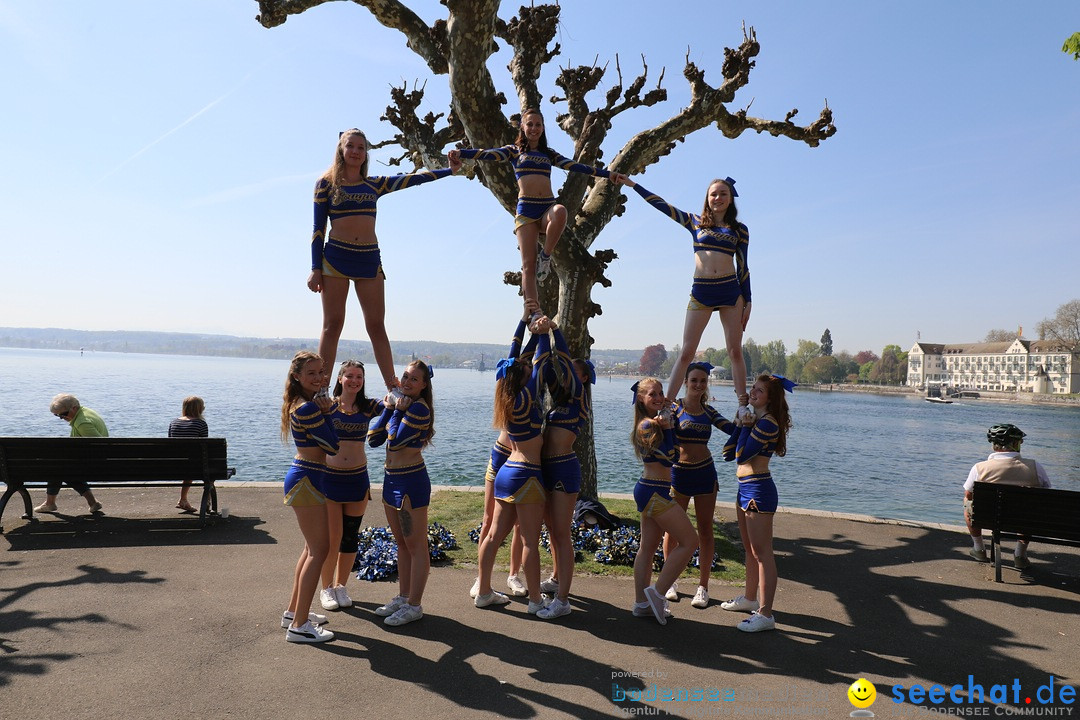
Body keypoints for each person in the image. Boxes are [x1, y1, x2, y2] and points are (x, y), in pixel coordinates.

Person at [309, 129, 462, 394]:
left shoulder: (374, 184)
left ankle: (393, 387)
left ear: (366, 152)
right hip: (335, 259)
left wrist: (449, 170)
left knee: (377, 326)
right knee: (332, 324)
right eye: (351, 146)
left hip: (368, 260)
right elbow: (317, 229)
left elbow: (413, 179)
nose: (356, 151)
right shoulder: (326, 184)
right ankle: (321, 387)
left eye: (361, 147)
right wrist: (314, 269)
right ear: (341, 150)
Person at [448, 109, 622, 310]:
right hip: (526, 211)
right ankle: (533, 311)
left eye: (538, 125)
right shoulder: (514, 151)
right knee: (528, 267)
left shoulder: (549, 154)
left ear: (542, 128)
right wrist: (461, 153)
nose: (534, 128)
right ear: (523, 126)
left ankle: (546, 257)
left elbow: (575, 166)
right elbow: (487, 154)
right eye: (529, 124)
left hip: (547, 207)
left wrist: (607, 174)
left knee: (561, 212)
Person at [617, 176, 752, 419]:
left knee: (735, 351)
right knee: (687, 351)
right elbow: (662, 205)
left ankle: (742, 407)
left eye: (723, 194)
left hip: (731, 292)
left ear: (730, 199)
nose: (718, 198)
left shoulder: (739, 230)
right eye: (713, 194)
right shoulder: (694, 221)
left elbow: (743, 267)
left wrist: (748, 301)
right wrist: (633, 185)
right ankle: (667, 407)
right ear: (707, 198)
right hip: (701, 290)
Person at [474, 304, 552, 615]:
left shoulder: (506, 392)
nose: (530, 369)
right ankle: (535, 601)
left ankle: (483, 591)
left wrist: (522, 323)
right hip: (528, 472)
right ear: (523, 376)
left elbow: (516, 354)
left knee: (493, 535)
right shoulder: (527, 394)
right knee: (530, 541)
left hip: (506, 470)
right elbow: (542, 360)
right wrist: (543, 333)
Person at [719, 374, 795, 633]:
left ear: (770, 398)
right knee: (750, 551)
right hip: (745, 489)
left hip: (758, 491)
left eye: (759, 390)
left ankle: (766, 614)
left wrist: (746, 424)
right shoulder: (757, 422)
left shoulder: (768, 424)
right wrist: (742, 422)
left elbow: (742, 454)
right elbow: (728, 454)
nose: (752, 392)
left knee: (763, 554)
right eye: (753, 387)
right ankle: (750, 598)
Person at [367, 359, 436, 627]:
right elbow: (374, 439)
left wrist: (396, 412)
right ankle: (404, 596)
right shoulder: (402, 403)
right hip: (391, 480)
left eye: (414, 379)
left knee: (416, 545)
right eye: (405, 376)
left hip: (411, 482)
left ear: (423, 385)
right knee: (402, 544)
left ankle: (415, 605)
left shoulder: (419, 409)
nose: (407, 382)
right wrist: (387, 408)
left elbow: (394, 441)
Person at [661, 362, 736, 608]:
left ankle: (702, 587)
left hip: (705, 474)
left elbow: (731, 429)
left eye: (703, 381)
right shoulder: (674, 408)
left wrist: (750, 421)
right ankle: (670, 582)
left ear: (707, 384)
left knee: (705, 530)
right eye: (694, 380)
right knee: (673, 530)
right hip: (678, 475)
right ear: (685, 382)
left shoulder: (709, 411)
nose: (698, 385)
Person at [535, 326, 595, 620]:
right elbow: (546, 370)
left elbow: (565, 359)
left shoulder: (580, 396)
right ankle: (557, 579)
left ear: (582, 377)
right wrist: (538, 335)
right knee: (552, 532)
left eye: (573, 370)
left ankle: (562, 600)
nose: (567, 372)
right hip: (546, 468)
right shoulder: (560, 401)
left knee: (561, 533)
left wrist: (555, 331)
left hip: (564, 469)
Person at [280, 351, 339, 643]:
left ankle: (294, 613)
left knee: (310, 549)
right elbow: (332, 445)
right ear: (297, 377)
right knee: (319, 550)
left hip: (309, 476)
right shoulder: (307, 408)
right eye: (312, 373)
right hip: (307, 478)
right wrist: (328, 412)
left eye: (321, 372)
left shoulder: (304, 404)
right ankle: (299, 627)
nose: (319, 378)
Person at [629, 379, 699, 626]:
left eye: (660, 393)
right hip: (654, 492)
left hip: (653, 490)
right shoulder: (647, 425)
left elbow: (676, 443)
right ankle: (657, 593)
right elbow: (670, 457)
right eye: (652, 394)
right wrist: (667, 426)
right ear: (641, 399)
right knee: (690, 541)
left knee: (647, 548)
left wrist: (670, 419)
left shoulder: (656, 420)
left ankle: (641, 604)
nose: (658, 397)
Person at [319, 360, 381, 611]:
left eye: (359, 377)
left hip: (357, 478)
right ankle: (326, 588)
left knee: (350, 537)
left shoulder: (368, 407)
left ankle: (341, 585)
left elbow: (394, 404)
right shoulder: (328, 405)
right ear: (340, 378)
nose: (354, 381)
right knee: (332, 538)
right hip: (330, 479)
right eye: (350, 376)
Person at [962, 423, 1051, 569]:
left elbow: (968, 495)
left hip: (989, 518)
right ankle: (1020, 555)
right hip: (1022, 519)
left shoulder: (979, 468)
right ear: (1015, 443)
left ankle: (979, 548)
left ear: (994, 445)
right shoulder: (1035, 467)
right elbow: (1046, 494)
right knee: (1030, 507)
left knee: (967, 502)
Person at [36, 394, 106, 514]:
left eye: (64, 414)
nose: (62, 418)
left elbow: (99, 446)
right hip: (102, 462)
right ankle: (92, 503)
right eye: (57, 416)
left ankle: (50, 503)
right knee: (62, 467)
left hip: (96, 464)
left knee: (57, 468)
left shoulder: (82, 423)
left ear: (74, 408)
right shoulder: (86, 413)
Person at [168, 396, 209, 513]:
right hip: (193, 466)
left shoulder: (174, 423)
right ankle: (208, 501)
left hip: (175, 465)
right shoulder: (201, 424)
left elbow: (171, 444)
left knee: (188, 462)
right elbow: (204, 447)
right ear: (199, 409)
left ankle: (183, 499)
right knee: (210, 467)